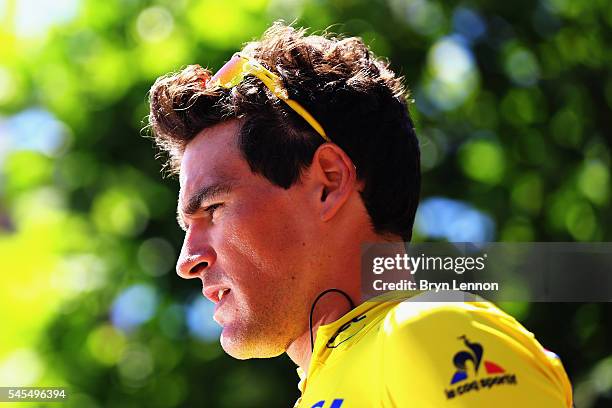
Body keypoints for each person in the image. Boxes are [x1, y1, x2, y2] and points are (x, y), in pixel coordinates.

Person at [147, 22, 573, 407]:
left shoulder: (429, 330)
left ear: (329, 183)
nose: (188, 261)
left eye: (214, 209)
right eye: (188, 227)